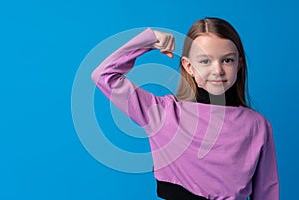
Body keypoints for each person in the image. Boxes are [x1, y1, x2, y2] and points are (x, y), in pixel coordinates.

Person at [91, 17, 279, 200]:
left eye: (227, 60)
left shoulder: (258, 126)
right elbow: (104, 75)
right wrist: (149, 40)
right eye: (205, 61)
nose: (218, 70)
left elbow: (267, 191)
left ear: (240, 64)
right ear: (188, 66)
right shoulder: (162, 113)